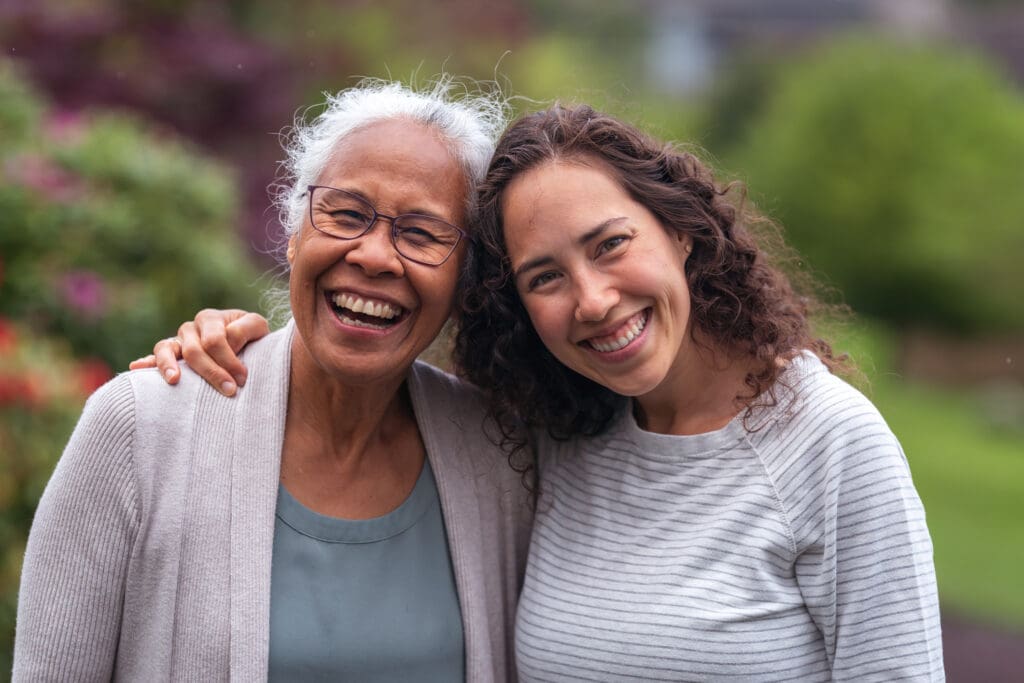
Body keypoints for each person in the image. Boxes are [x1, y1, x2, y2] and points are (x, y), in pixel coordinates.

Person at [140, 105, 945, 681]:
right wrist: (231, 338)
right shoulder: (556, 436)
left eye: (612, 245)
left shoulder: (831, 443)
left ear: (685, 229)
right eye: (545, 277)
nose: (592, 300)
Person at [14, 79, 532, 682]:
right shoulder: (139, 429)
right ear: (294, 236)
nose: (373, 255)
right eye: (345, 214)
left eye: (421, 234)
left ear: (463, 282)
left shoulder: (503, 457)